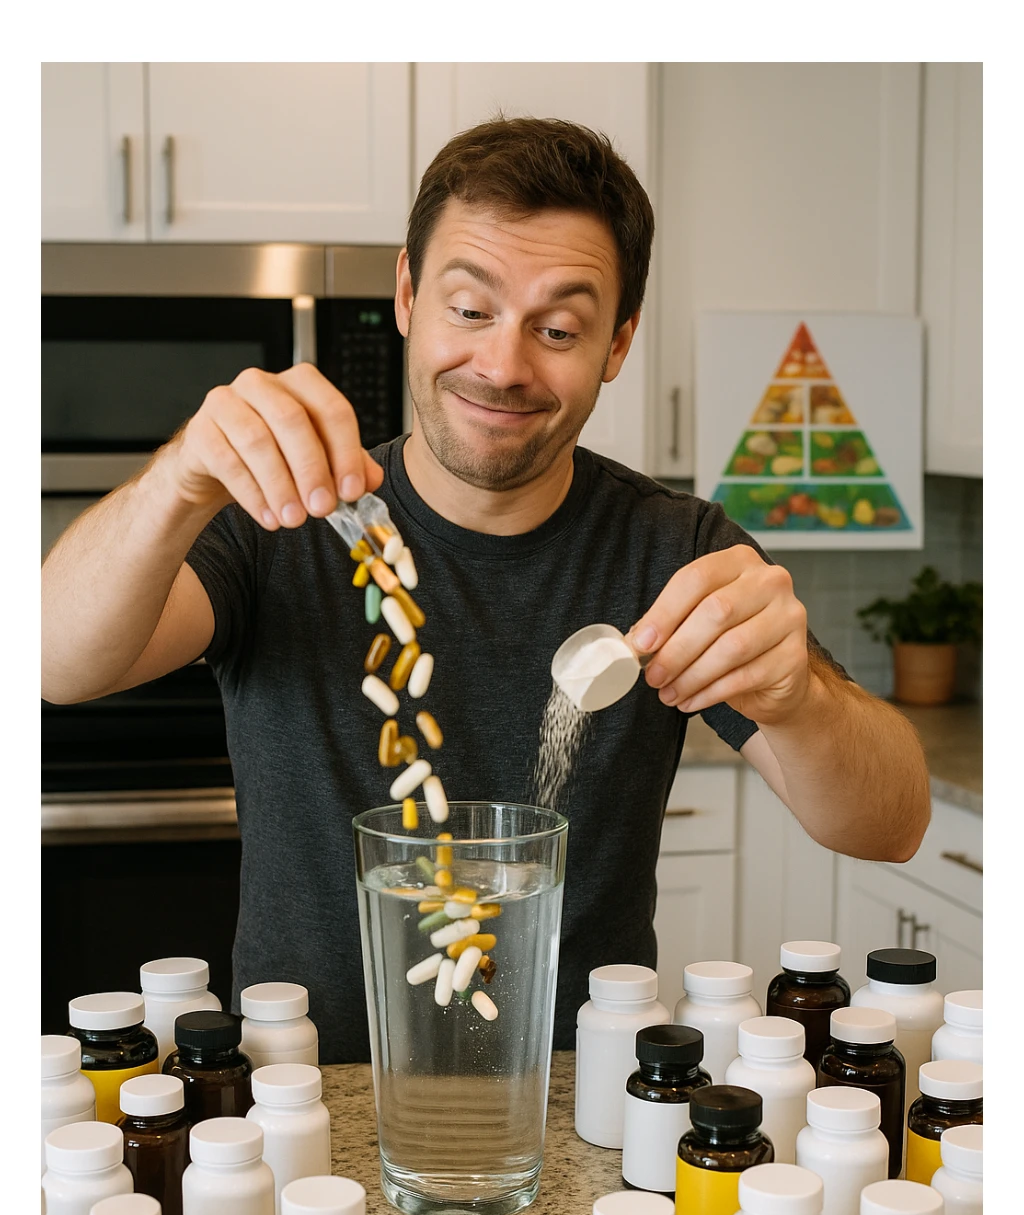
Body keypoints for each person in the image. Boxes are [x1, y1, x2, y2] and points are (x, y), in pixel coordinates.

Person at [41, 117, 931, 1062]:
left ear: (619, 344)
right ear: (407, 296)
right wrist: (180, 478)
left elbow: (892, 823)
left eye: (557, 329)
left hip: (576, 1107)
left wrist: (799, 700)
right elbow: (55, 662)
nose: (504, 367)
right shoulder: (285, 520)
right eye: (469, 310)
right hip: (301, 1093)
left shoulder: (673, 551)